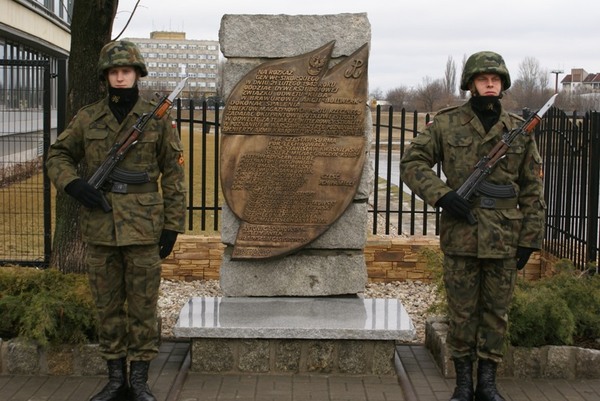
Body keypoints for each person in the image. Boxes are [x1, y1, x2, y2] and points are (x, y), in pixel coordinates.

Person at [400, 51, 545, 401]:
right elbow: (412, 162)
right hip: (462, 234)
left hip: (504, 237)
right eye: (483, 79)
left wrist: (530, 238)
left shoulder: (518, 131)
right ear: (471, 84)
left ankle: (488, 384)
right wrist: (443, 196)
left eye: (495, 79)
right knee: (462, 313)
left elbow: (532, 188)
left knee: (496, 313)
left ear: (503, 84)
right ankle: (463, 384)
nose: (490, 84)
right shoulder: (447, 124)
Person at [46, 40, 186, 401]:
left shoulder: (156, 118)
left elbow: (173, 175)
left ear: (137, 74)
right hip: (101, 227)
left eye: (126, 71)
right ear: (105, 76)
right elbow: (57, 156)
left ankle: (139, 380)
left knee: (142, 307)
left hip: (143, 227)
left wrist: (172, 225)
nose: (120, 77)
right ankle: (115, 380)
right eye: (114, 72)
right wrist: (74, 185)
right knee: (107, 307)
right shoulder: (88, 117)